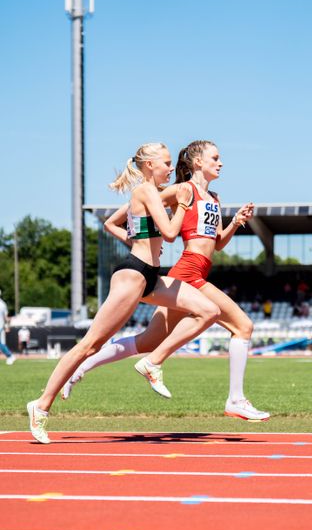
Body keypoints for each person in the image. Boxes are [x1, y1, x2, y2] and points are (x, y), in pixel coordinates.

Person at [63, 140, 270, 422]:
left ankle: (81, 368)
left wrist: (235, 223)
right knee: (243, 326)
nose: (220, 163)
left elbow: (217, 243)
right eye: (215, 158)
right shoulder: (181, 190)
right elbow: (129, 212)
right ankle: (235, 399)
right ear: (198, 162)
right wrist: (137, 237)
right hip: (188, 272)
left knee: (147, 340)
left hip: (195, 272)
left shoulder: (215, 198)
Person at [27, 142, 220, 444]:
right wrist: (182, 205)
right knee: (89, 345)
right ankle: (40, 406)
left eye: (172, 163)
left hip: (151, 277)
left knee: (209, 310)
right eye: (166, 163)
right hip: (132, 275)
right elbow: (170, 232)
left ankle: (152, 362)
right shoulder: (144, 191)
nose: (171, 168)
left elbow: (121, 224)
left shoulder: (154, 195)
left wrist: (138, 236)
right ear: (149, 166)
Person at [0, 290, 16, 365]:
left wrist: (7, 326)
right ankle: (10, 355)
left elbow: (5, 318)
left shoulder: (2, 304)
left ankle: (10, 355)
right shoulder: (3, 304)